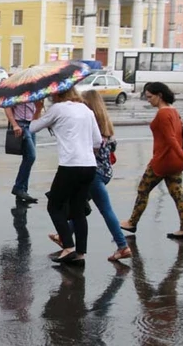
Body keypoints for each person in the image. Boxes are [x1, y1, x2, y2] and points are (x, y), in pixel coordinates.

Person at [50, 91, 131, 261]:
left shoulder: (89, 123)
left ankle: (122, 245)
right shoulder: (106, 124)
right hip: (105, 172)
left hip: (92, 173)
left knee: (103, 209)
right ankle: (63, 235)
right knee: (79, 207)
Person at [30, 87, 102, 266]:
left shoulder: (58, 109)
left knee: (54, 206)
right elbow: (98, 141)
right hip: (89, 166)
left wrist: (38, 108)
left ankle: (68, 246)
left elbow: (32, 128)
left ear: (57, 94)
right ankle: (80, 254)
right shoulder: (86, 109)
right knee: (78, 210)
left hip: (70, 165)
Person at [120, 82, 183, 240]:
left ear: (159, 95)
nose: (148, 100)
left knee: (143, 190)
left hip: (162, 161)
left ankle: (132, 222)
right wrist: (182, 159)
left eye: (150, 97)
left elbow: (171, 139)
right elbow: (180, 133)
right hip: (175, 162)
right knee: (178, 194)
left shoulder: (162, 114)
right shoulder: (174, 111)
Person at [4, 98, 44, 203]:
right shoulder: (18, 91)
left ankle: (22, 190)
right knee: (31, 156)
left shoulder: (36, 93)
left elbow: (36, 118)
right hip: (21, 125)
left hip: (31, 126)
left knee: (27, 158)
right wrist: (15, 125)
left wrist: (39, 109)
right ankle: (18, 187)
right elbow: (7, 106)